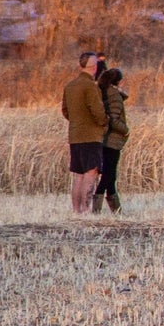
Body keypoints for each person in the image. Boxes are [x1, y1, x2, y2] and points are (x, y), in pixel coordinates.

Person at [62, 51, 107, 216]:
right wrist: (104, 122)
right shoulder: (90, 86)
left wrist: (77, 121)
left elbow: (65, 111)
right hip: (90, 136)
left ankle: (76, 211)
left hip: (74, 135)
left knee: (79, 174)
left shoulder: (70, 86)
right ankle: (86, 210)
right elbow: (98, 112)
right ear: (94, 67)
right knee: (91, 172)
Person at [93, 67, 129, 213]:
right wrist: (125, 130)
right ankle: (96, 207)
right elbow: (113, 119)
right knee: (109, 174)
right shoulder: (114, 95)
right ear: (117, 81)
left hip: (105, 139)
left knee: (110, 174)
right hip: (112, 140)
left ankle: (116, 210)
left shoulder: (103, 92)